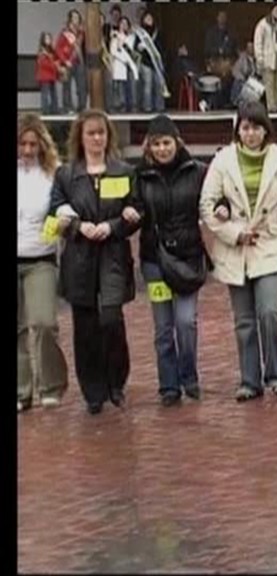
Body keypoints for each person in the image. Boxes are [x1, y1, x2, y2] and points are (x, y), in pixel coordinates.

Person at [199, 101, 277, 401]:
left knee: (270, 312)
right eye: (245, 128)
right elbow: (207, 204)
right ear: (238, 130)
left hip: (269, 242)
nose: (250, 134)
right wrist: (233, 233)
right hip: (235, 247)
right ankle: (249, 380)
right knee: (244, 320)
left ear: (266, 129)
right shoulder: (222, 161)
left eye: (256, 127)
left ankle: (276, 373)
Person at [48, 109, 139, 414]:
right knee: (84, 326)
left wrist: (115, 226)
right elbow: (56, 212)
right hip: (80, 257)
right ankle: (93, 391)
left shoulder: (123, 171)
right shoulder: (66, 175)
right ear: (81, 137)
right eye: (91, 133)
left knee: (112, 319)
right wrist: (78, 227)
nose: (97, 138)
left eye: (101, 132)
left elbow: (135, 211)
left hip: (113, 255)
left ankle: (116, 382)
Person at [122, 115, 209, 406]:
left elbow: (213, 199)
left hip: (188, 258)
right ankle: (168, 385)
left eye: (166, 142)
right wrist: (132, 214)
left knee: (186, 322)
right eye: (156, 144)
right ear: (149, 146)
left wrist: (220, 208)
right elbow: (134, 207)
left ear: (177, 142)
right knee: (163, 327)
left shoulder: (197, 171)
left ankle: (189, 376)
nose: (162, 149)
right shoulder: (140, 176)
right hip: (155, 260)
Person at [17, 114, 69, 413]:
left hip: (41, 258)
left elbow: (65, 206)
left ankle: (51, 385)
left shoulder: (54, 174)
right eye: (22, 144)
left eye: (32, 144)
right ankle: (21, 390)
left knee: (44, 322)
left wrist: (63, 220)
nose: (27, 150)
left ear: (41, 145)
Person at [253, 3, 277, 112]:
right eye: (276, 9)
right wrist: (259, 58)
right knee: (269, 83)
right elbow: (258, 42)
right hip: (268, 58)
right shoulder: (263, 24)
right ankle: (271, 107)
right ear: (271, 10)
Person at [55, 9, 87, 113]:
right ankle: (67, 107)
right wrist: (65, 61)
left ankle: (82, 107)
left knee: (81, 85)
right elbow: (58, 49)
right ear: (70, 19)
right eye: (74, 17)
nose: (76, 19)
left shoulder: (81, 33)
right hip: (68, 62)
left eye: (77, 17)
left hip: (79, 62)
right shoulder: (65, 33)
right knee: (67, 86)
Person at [36, 32, 60, 115]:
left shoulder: (52, 50)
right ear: (43, 40)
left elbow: (56, 60)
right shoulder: (41, 51)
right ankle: (45, 111)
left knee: (54, 94)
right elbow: (42, 64)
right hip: (44, 76)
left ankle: (55, 110)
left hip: (52, 75)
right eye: (46, 38)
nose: (48, 40)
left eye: (49, 38)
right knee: (45, 94)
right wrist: (54, 64)